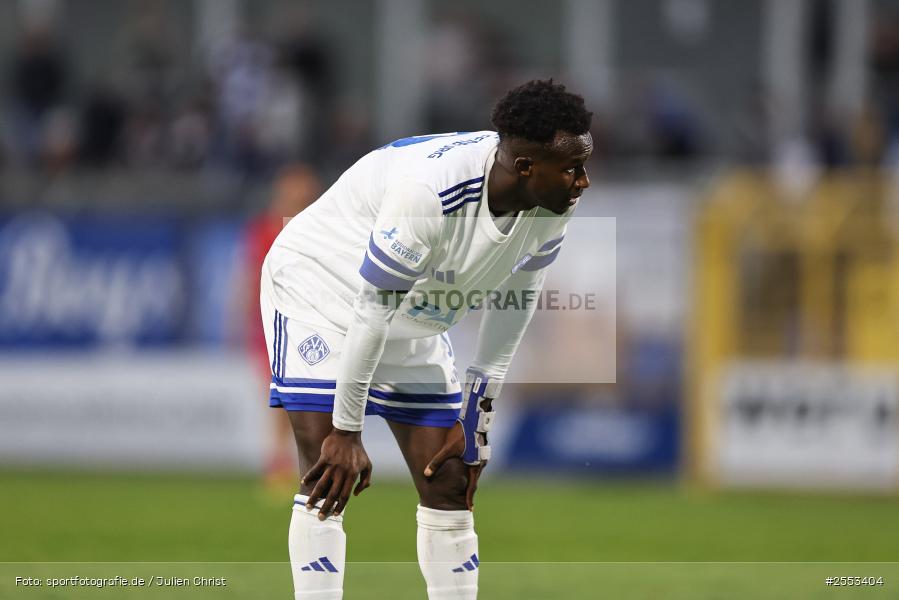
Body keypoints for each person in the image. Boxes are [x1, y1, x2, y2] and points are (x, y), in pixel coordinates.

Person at [260, 79, 592, 599]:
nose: (583, 180)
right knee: (328, 470)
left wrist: (476, 420)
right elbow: (371, 309)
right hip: (323, 287)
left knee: (450, 481)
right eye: (573, 167)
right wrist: (348, 432)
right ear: (526, 166)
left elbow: (518, 299)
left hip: (411, 305)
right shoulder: (431, 194)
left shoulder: (553, 201)